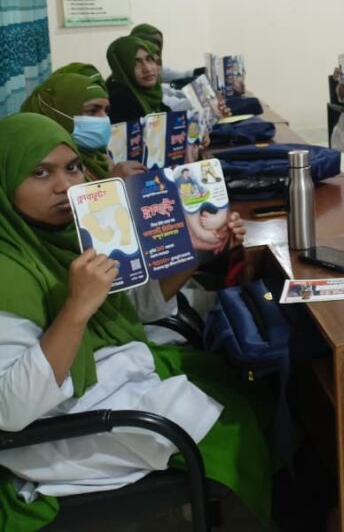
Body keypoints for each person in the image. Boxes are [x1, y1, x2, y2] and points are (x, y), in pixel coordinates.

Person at [0, 114, 272, 529]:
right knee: (237, 428)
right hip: (57, 426)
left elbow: (137, 308)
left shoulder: (70, 236)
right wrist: (75, 310)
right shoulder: (7, 272)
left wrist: (201, 249)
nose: (65, 186)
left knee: (245, 381)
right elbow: (12, 409)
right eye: (40, 173)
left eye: (72, 167)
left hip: (110, 380)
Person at [20, 72, 144, 181]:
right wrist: (114, 182)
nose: (104, 119)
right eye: (92, 111)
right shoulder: (41, 166)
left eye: (106, 111)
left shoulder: (100, 159)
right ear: (60, 113)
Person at [105, 36, 170, 123]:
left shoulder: (151, 95)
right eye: (136, 63)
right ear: (123, 69)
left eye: (149, 59)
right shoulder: (120, 101)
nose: (147, 69)